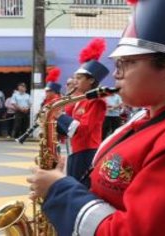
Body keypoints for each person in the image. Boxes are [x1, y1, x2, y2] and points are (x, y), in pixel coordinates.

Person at [26, 0, 165, 235]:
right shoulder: (147, 116)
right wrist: (62, 180)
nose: (116, 73)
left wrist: (59, 190)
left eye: (127, 63)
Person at [56, 38, 109, 186]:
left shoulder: (97, 101)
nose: (75, 81)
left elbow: (83, 129)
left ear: (91, 80)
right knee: (73, 185)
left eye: (79, 78)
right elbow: (66, 125)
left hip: (86, 151)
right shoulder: (81, 98)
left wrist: (60, 116)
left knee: (80, 187)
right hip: (75, 149)